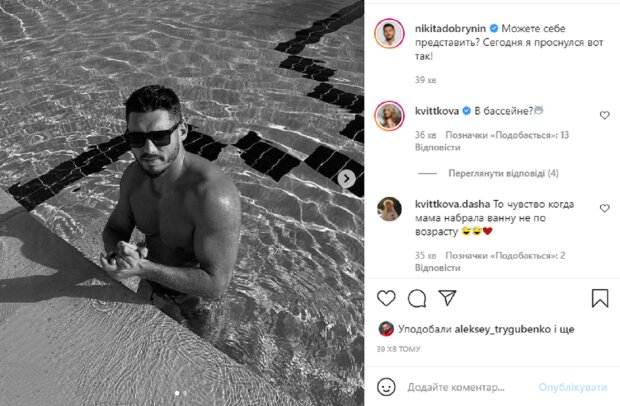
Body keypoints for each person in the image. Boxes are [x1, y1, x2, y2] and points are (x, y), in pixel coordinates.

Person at [100, 85, 241, 327]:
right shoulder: (134, 178)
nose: (149, 149)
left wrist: (143, 269)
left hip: (199, 305)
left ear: (182, 130)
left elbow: (217, 285)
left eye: (160, 137)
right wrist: (121, 256)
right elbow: (115, 229)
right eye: (137, 138)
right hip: (150, 285)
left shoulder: (212, 196)